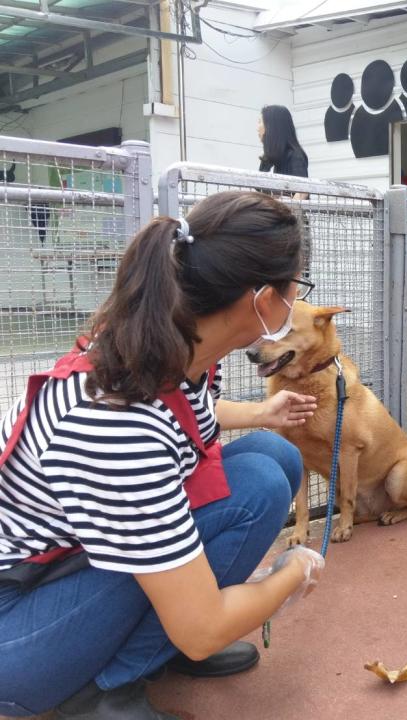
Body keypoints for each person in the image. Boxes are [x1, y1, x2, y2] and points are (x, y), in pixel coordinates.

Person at [0, 191, 325, 719]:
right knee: (254, 498)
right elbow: (206, 630)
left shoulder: (176, 342)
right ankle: (104, 694)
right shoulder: (116, 427)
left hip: (66, 564)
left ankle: (155, 649)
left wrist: (263, 416)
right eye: (296, 290)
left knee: (274, 457)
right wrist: (293, 571)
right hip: (16, 630)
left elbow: (194, 414)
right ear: (262, 300)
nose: (294, 304)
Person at [258, 105, 309, 179]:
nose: (257, 128)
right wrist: (266, 159)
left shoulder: (295, 157)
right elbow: (260, 184)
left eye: (260, 122)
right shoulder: (276, 154)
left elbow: (302, 189)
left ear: (272, 127)